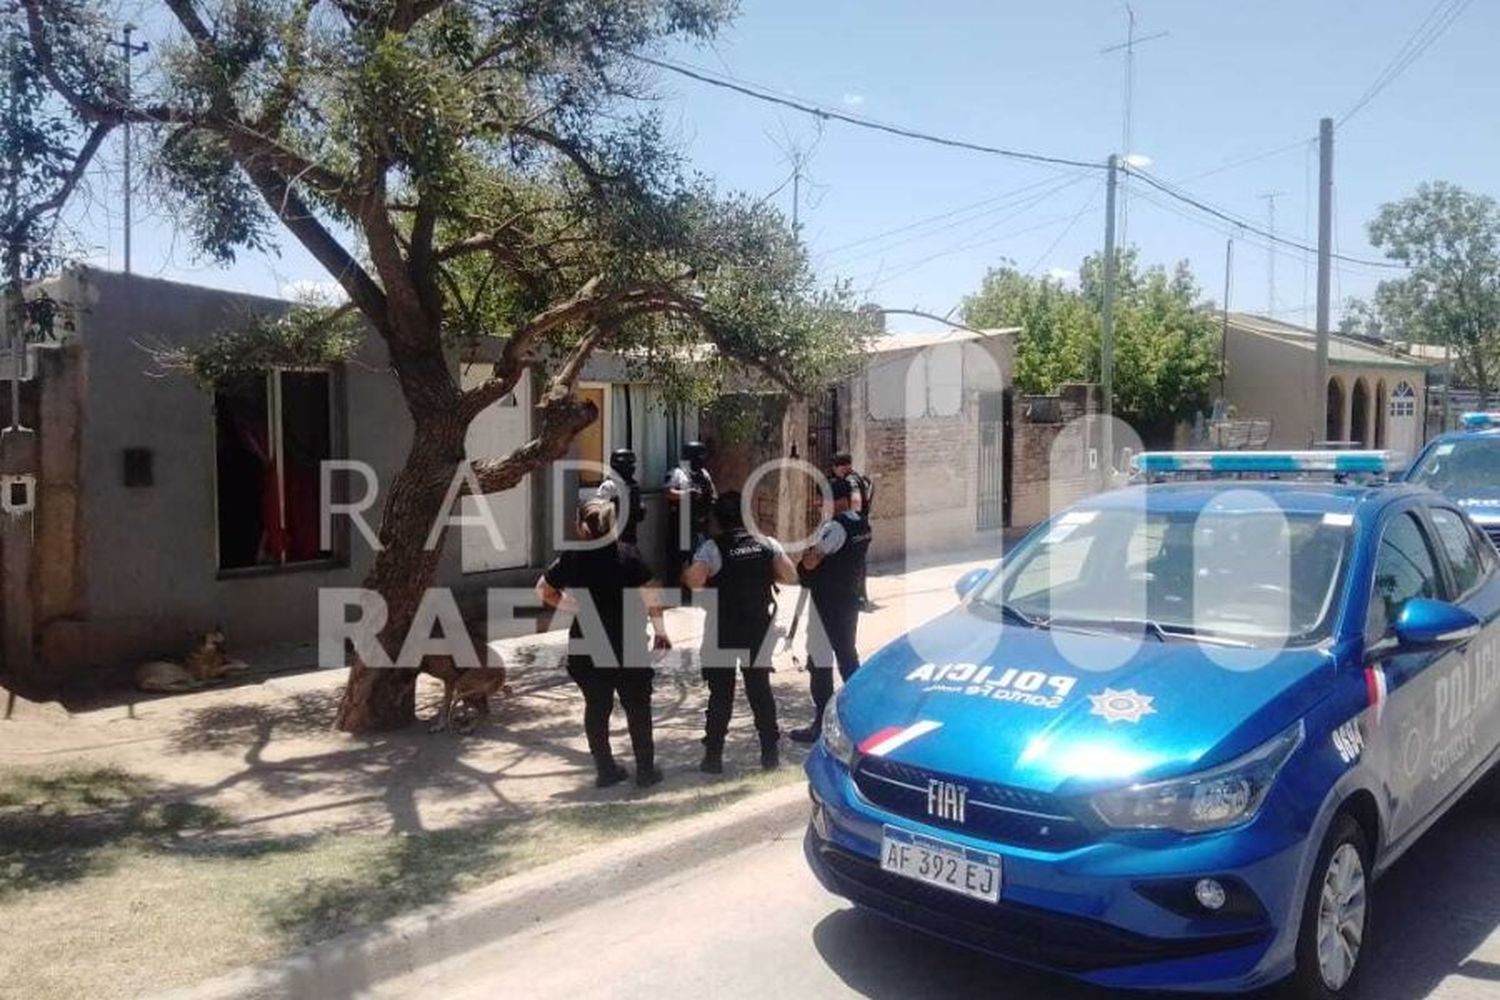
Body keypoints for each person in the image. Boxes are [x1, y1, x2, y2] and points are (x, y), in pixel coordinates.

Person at [536, 499, 671, 788]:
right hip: (628, 644)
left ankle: (605, 770)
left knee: (597, 707)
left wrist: (571, 606)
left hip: (587, 645)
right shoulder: (628, 556)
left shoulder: (571, 557)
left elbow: (543, 590)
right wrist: (661, 631)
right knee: (637, 706)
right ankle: (645, 771)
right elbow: (651, 596)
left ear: (580, 526)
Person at [683, 492, 799, 773]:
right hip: (757, 628)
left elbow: (694, 582)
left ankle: (713, 757)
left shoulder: (713, 547)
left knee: (721, 693)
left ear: (719, 520)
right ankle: (769, 753)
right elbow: (791, 576)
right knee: (759, 689)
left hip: (723, 628)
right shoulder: (766, 544)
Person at [789, 475, 872, 743]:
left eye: (822, 498)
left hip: (828, 602)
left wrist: (805, 556)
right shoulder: (862, 523)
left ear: (838, 501)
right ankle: (865, 716)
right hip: (848, 599)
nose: (817, 503)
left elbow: (812, 562)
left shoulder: (835, 528)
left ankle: (821, 725)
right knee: (848, 657)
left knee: (820, 663)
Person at [830, 452, 876, 611]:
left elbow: (856, 501)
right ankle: (861, 597)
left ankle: (854, 598)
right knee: (859, 563)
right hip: (864, 528)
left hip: (854, 529)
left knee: (849, 564)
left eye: (835, 469)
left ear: (839, 467)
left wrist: (849, 520)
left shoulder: (850, 481)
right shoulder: (862, 478)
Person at [665, 440, 716, 580]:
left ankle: (693, 592)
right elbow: (668, 493)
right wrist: (687, 494)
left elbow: (713, 494)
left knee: (700, 560)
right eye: (699, 456)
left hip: (700, 524)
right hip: (682, 524)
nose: (702, 460)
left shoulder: (704, 474)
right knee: (677, 561)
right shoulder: (677, 473)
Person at [595, 448, 646, 546]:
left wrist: (640, 508)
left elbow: (639, 511)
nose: (632, 467)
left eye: (632, 463)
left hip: (630, 533)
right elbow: (599, 510)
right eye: (628, 463)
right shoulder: (610, 485)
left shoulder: (633, 485)